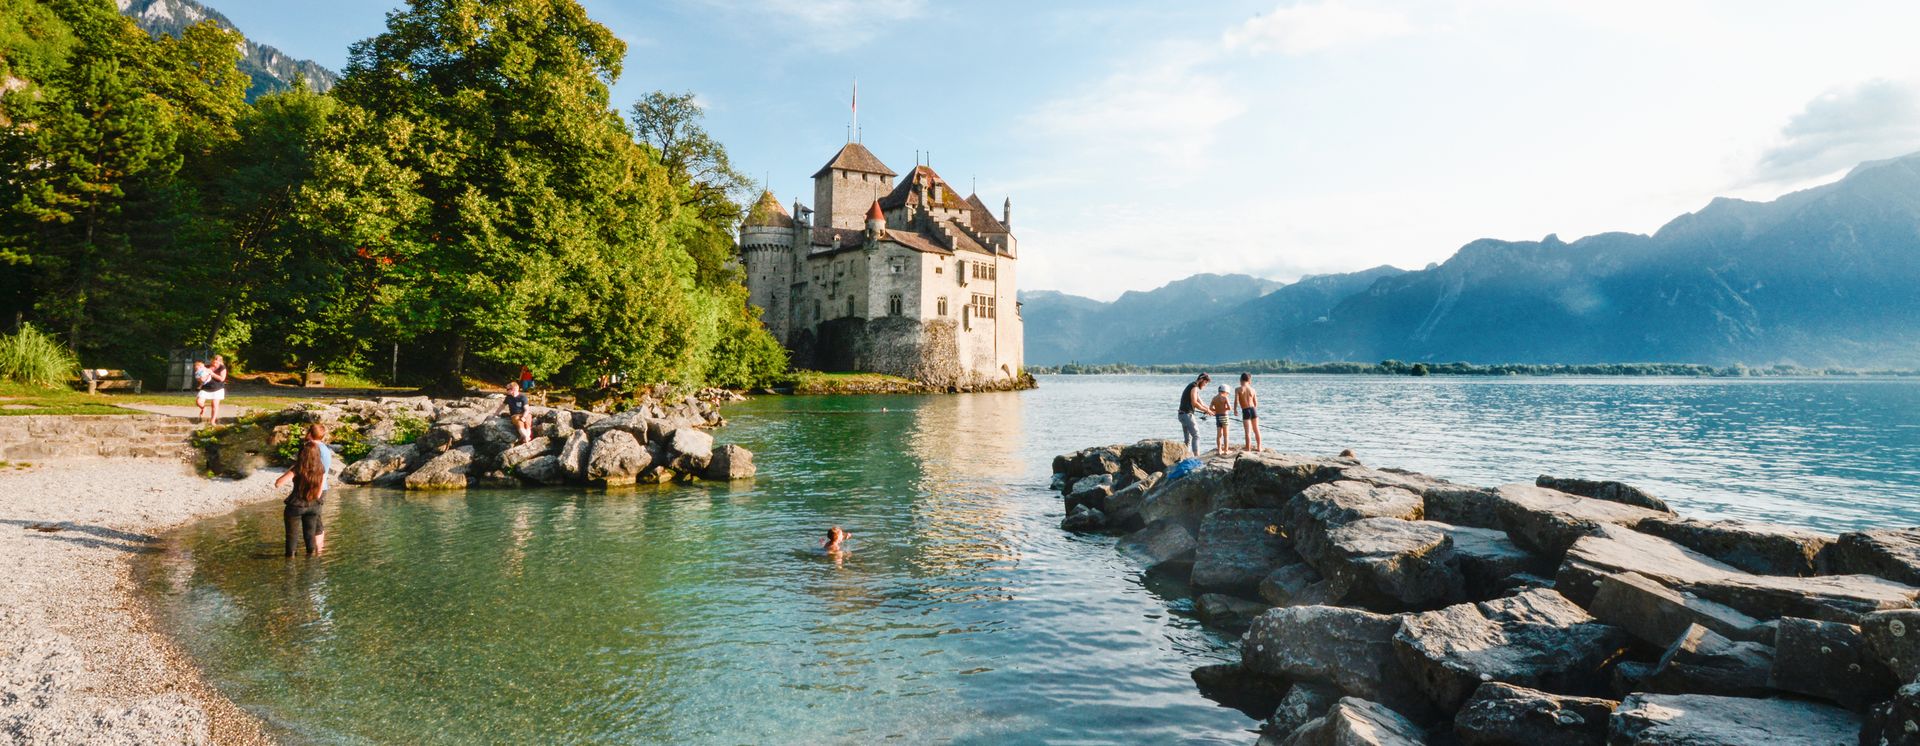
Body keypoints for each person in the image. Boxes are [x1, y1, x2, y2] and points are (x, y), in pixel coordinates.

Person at [272, 424, 332, 557]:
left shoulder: (298, 468)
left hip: (296, 505)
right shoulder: (321, 470)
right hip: (313, 505)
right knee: (310, 536)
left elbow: (278, 483)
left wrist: (292, 471)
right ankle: (313, 559)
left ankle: (290, 563)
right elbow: (319, 491)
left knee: (292, 537)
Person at [1176, 373, 1211, 458]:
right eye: (1205, 382)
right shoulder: (1194, 387)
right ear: (1201, 380)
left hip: (1182, 415)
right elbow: (1195, 403)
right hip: (1187, 415)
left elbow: (1200, 402)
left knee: (1187, 440)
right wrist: (1206, 410)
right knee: (1196, 435)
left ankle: (1184, 457)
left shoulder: (1193, 386)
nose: (1205, 385)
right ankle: (1196, 457)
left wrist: (1210, 410)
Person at [1236, 373, 1263, 452]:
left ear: (1240, 380)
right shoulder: (1253, 389)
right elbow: (1256, 403)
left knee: (1247, 432)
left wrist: (1235, 410)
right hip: (1253, 410)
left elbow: (1236, 401)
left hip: (1245, 411)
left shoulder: (1238, 389)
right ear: (1249, 380)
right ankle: (1259, 447)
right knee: (1256, 430)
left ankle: (1248, 448)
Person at [199, 354, 228, 423]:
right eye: (214, 361)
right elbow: (201, 376)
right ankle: (203, 408)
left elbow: (222, 379)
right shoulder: (207, 367)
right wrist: (201, 379)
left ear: (220, 362)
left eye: (217, 362)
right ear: (211, 361)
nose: (215, 363)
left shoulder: (222, 368)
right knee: (199, 401)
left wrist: (212, 374)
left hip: (218, 388)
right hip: (206, 387)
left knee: (214, 404)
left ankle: (212, 421)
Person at [1210, 384, 1233, 454]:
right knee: (1226, 435)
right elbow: (1230, 408)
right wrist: (1223, 408)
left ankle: (1219, 450)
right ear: (1225, 391)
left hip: (1217, 416)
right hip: (1224, 416)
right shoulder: (1225, 398)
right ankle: (1226, 450)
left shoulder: (1214, 398)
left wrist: (1217, 409)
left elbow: (1210, 408)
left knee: (1219, 435)